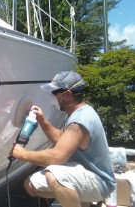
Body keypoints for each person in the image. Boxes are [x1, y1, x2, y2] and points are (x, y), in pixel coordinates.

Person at [9, 71, 116, 207]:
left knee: (54, 175)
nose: (53, 97)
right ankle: (78, 200)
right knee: (30, 185)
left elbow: (57, 157)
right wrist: (42, 120)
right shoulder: (76, 113)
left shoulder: (80, 120)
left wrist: (23, 154)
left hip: (100, 182)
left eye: (55, 93)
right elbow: (62, 139)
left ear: (67, 95)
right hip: (84, 173)